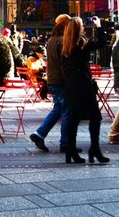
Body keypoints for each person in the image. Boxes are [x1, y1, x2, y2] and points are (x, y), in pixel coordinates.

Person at [61, 16, 109, 164]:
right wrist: (99, 26)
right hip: (83, 84)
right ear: (77, 28)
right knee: (95, 117)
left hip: (71, 85)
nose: (83, 27)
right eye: (81, 25)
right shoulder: (82, 44)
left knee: (74, 118)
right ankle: (94, 149)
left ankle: (71, 150)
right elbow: (102, 43)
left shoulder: (66, 46)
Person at [29, 14, 73, 153]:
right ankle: (65, 143)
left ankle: (39, 133)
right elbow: (64, 64)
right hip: (62, 81)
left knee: (58, 109)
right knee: (67, 111)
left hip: (53, 80)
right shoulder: (63, 41)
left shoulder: (52, 40)